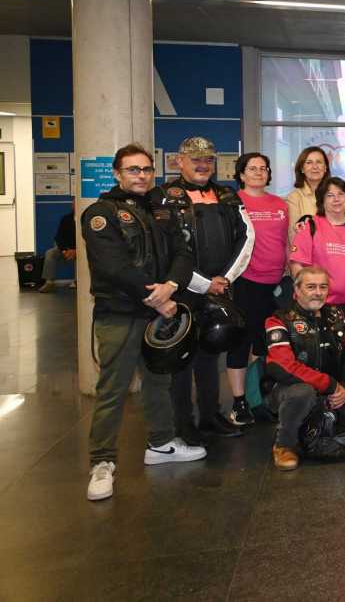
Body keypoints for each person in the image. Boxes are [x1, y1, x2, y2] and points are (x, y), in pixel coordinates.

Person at [82, 144, 204, 501]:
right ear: (117, 173)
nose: (141, 176)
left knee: (157, 382)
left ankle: (161, 444)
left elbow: (183, 253)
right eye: (133, 170)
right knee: (113, 390)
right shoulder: (100, 214)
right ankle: (102, 462)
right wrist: (158, 297)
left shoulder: (161, 209)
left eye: (147, 169)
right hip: (120, 314)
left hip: (157, 311)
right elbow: (113, 267)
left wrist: (171, 287)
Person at [150, 136, 253, 442]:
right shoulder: (163, 197)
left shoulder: (227, 195)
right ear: (179, 161)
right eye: (195, 159)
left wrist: (225, 279)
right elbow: (166, 250)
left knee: (210, 356)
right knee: (181, 360)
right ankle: (182, 423)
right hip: (181, 290)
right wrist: (203, 283)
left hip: (220, 289)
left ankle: (210, 416)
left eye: (208, 159)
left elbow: (247, 236)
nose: (202, 165)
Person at [264, 266, 345, 471]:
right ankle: (284, 443)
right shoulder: (278, 320)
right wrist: (330, 385)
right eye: (311, 287)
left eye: (323, 287)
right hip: (290, 390)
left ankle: (309, 425)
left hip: (331, 391)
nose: (318, 292)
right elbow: (283, 365)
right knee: (303, 393)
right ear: (297, 290)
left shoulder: (335, 316)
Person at [229, 152, 289, 427]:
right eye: (252, 168)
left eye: (263, 168)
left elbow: (283, 241)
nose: (258, 172)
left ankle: (257, 397)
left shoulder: (279, 204)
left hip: (274, 283)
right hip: (245, 282)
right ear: (241, 174)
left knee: (264, 343)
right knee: (241, 342)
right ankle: (239, 401)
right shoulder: (233, 203)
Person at [289, 176, 345, 337]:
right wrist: (308, 294)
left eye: (341, 194)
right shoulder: (310, 226)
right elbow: (297, 264)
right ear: (322, 200)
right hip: (321, 306)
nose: (336, 199)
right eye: (330, 195)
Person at [286, 146, 330, 240]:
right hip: (306, 249)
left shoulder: (336, 195)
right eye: (309, 162)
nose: (315, 166)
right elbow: (294, 236)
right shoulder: (294, 197)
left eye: (319, 162)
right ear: (302, 169)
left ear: (325, 168)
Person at [38, 206, 76, 292]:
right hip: (66, 249)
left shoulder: (87, 218)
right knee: (50, 253)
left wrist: (76, 251)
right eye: (73, 203)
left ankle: (78, 281)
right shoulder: (66, 219)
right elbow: (59, 238)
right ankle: (49, 282)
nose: (74, 205)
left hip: (81, 249)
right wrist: (64, 251)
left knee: (83, 256)